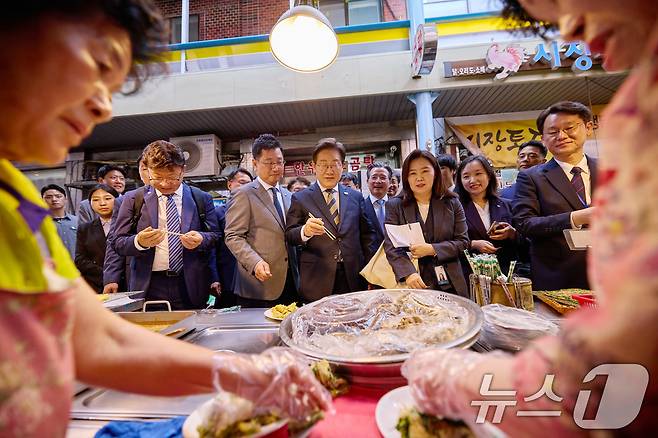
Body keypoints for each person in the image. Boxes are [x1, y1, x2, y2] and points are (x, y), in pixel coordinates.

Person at [0, 2, 329, 436]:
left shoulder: (17, 197)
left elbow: (98, 339)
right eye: (99, 65)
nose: (103, 108)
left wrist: (241, 374)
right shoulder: (131, 201)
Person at [402, 1, 658, 435]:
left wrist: (460, 379)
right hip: (556, 285)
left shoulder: (635, 123)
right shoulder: (535, 177)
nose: (571, 29)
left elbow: (617, 357)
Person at [113, 140, 219, 309]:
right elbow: (117, 242)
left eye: (171, 177)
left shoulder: (201, 198)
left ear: (183, 170)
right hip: (149, 285)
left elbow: (216, 236)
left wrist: (201, 238)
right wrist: (139, 242)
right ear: (148, 171)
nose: (164, 184)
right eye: (157, 177)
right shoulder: (133, 199)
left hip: (190, 283)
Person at [512, 101, 597, 290]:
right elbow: (524, 223)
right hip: (558, 277)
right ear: (543, 139)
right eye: (553, 131)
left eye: (569, 128)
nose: (562, 136)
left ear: (588, 128)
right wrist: (575, 218)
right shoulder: (531, 177)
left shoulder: (610, 169)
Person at [286, 138, 377, 301]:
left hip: (353, 275)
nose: (329, 170)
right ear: (314, 166)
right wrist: (305, 231)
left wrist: (371, 272)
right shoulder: (301, 198)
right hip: (317, 277)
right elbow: (290, 235)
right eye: (323, 164)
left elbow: (367, 236)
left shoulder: (355, 197)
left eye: (335, 164)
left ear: (343, 166)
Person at [224, 134, 300, 307]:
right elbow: (233, 236)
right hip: (258, 283)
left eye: (279, 162)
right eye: (269, 162)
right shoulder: (243, 194)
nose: (276, 167)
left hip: (290, 281)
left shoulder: (289, 196)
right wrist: (255, 262)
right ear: (255, 163)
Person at [383, 149, 469, 297]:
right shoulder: (395, 206)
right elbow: (391, 247)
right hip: (412, 283)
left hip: (450, 282)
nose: (419, 178)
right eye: (412, 173)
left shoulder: (452, 202)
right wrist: (408, 273)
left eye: (425, 171)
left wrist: (432, 249)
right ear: (406, 177)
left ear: (435, 172)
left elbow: (463, 242)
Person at [455, 155, 520, 277]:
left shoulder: (507, 205)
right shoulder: (455, 208)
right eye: (466, 176)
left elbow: (525, 242)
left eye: (478, 174)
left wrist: (512, 233)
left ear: (489, 176)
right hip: (470, 274)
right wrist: (473, 244)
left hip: (505, 273)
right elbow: (449, 242)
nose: (472, 180)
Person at [102, 152, 150, 293]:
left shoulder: (191, 196)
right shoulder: (128, 200)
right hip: (139, 273)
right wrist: (111, 277)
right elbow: (114, 240)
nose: (150, 173)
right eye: (144, 168)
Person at [212, 167, 253, 308]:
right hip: (227, 273)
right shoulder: (218, 213)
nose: (245, 187)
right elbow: (213, 247)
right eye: (242, 182)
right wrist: (214, 277)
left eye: (249, 184)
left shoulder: (256, 211)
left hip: (251, 273)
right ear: (229, 184)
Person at [75, 184, 121, 293]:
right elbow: (80, 259)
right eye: (95, 200)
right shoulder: (85, 228)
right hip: (96, 284)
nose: (102, 203)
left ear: (118, 200)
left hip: (125, 282)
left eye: (108, 198)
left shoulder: (128, 225)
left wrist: (114, 275)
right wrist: (105, 274)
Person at [41, 184, 79, 258]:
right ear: (42, 200)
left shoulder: (77, 221)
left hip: (77, 264)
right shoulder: (39, 223)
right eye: (48, 197)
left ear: (66, 199)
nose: (54, 199)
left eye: (58, 196)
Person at [362, 162, 392, 249]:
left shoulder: (398, 206)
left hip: (395, 256)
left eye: (383, 177)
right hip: (370, 256)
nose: (378, 181)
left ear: (390, 182)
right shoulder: (360, 207)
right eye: (374, 177)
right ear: (367, 181)